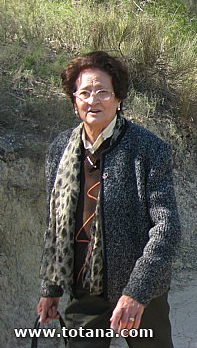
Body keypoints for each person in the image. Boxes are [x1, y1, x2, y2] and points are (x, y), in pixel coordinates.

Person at [36, 51, 181, 347]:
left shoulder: (147, 150)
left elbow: (167, 229)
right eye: (85, 92)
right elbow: (56, 224)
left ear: (118, 98)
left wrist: (137, 292)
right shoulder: (59, 150)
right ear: (74, 99)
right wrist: (50, 287)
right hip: (84, 288)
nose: (93, 100)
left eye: (103, 91)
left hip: (140, 291)